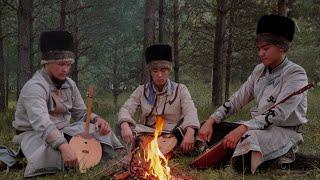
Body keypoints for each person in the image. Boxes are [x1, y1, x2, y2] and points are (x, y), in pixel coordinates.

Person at [198, 14, 308, 173]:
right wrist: (211, 120)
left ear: (282, 47)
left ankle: (271, 158)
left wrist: (242, 129)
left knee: (248, 140)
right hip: (256, 127)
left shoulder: (296, 74)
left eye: (266, 48)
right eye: (259, 49)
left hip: (283, 131)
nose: (261, 54)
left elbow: (279, 113)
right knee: (208, 129)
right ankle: (228, 155)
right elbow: (237, 100)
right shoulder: (259, 70)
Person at [10, 31, 123, 177]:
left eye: (69, 64)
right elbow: (42, 123)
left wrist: (97, 120)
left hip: (65, 131)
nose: (65, 69)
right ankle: (85, 158)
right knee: (56, 153)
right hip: (35, 135)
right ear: (47, 63)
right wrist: (63, 146)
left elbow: (82, 113)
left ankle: (117, 155)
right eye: (61, 64)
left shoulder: (69, 84)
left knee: (96, 130)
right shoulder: (34, 87)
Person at [118, 44, 200, 153]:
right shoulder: (142, 90)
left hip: (172, 134)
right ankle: (140, 152)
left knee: (191, 132)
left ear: (169, 70)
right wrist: (124, 125)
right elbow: (126, 109)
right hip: (148, 132)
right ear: (150, 72)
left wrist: (190, 131)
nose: (159, 75)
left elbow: (190, 111)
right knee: (122, 127)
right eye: (155, 71)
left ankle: (152, 151)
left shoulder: (180, 89)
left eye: (163, 70)